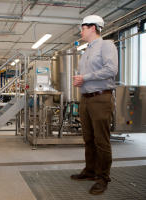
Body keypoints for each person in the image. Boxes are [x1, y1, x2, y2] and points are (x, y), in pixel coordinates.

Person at [72, 15, 118, 195]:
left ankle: (103, 178)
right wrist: (80, 81)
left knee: (101, 141)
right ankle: (90, 171)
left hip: (101, 98)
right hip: (86, 99)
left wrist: (85, 78)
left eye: (82, 28)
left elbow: (111, 70)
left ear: (93, 28)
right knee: (88, 139)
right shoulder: (86, 51)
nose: (80, 31)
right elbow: (88, 74)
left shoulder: (107, 45)